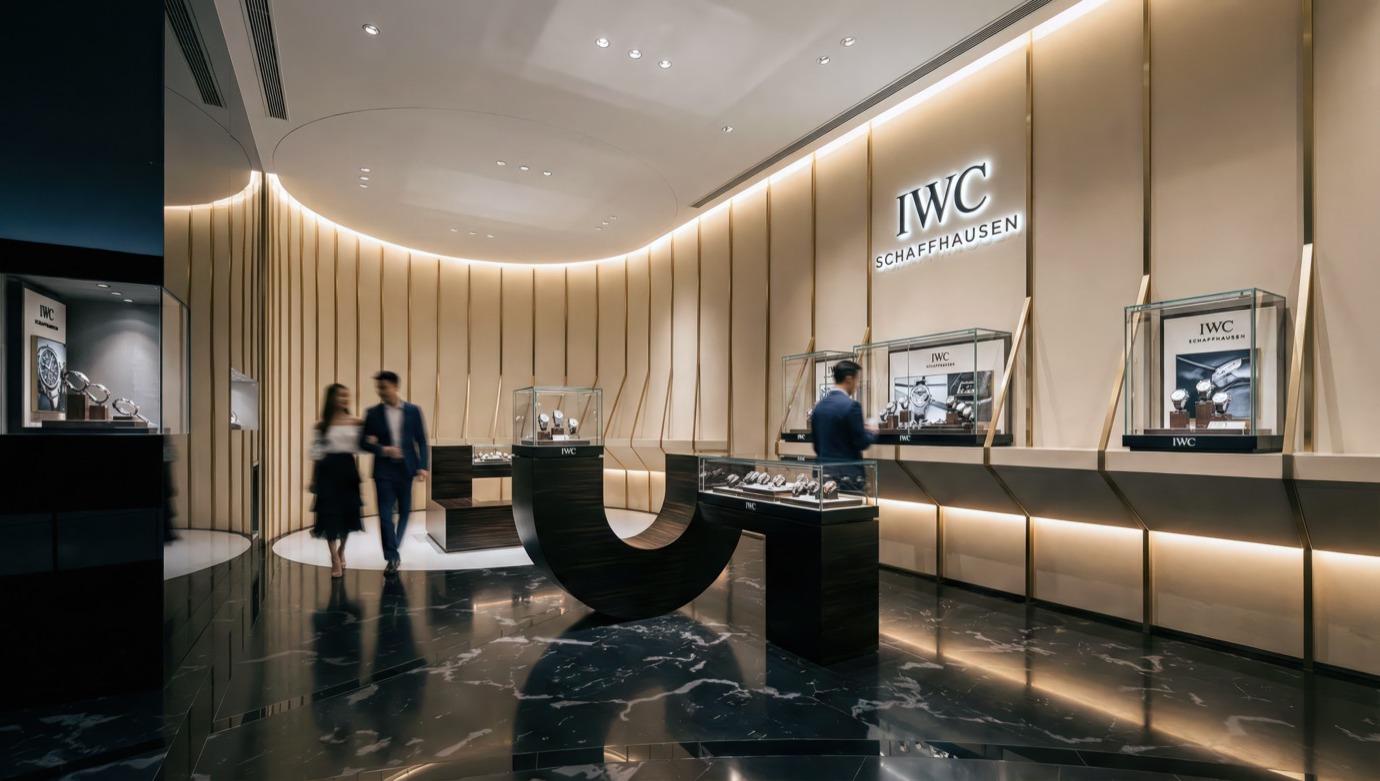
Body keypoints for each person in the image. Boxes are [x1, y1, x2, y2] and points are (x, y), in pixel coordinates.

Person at [360, 371, 429, 576]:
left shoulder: (413, 411)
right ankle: (391, 556)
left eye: (383, 387)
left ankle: (394, 546)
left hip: (406, 469)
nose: (380, 391)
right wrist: (382, 449)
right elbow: (362, 442)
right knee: (384, 515)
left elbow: (421, 441)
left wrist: (422, 466)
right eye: (378, 388)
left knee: (405, 511)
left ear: (395, 387)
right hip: (383, 471)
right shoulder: (372, 414)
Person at [310, 383, 364, 578]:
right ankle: (334, 557)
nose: (343, 399)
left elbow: (362, 446)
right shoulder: (322, 425)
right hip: (327, 473)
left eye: (346, 395)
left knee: (349, 514)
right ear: (331, 399)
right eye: (340, 395)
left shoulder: (355, 422)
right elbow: (316, 453)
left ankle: (342, 550)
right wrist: (313, 479)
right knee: (329, 516)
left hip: (348, 471)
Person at [810, 359, 877, 477]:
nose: (856, 385)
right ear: (849, 379)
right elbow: (862, 442)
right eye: (857, 381)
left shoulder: (819, 407)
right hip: (847, 477)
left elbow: (816, 446)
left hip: (823, 474)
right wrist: (873, 432)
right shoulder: (852, 406)